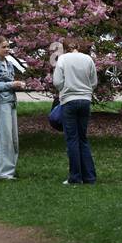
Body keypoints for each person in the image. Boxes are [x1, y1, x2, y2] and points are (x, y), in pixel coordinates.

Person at [52, 36, 98, 185]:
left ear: (65, 48)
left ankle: (75, 177)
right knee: (83, 138)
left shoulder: (63, 59)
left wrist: (66, 88)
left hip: (69, 101)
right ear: (78, 45)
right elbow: (94, 82)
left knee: (72, 139)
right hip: (85, 100)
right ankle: (90, 177)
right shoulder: (88, 59)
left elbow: (57, 82)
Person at [0, 34, 29, 179]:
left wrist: (18, 85)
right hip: (2, 103)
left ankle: (10, 169)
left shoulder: (9, 63)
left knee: (13, 138)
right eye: (3, 47)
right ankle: (1, 172)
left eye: (8, 46)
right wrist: (11, 84)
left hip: (11, 102)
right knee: (4, 138)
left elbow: (9, 83)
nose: (6, 49)